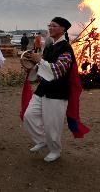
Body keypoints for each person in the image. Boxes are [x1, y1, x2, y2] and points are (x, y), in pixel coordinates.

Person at [23, 17, 78, 162]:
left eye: (54, 26)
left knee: (52, 123)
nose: (50, 28)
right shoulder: (49, 47)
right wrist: (32, 64)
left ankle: (55, 150)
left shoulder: (66, 48)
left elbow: (59, 70)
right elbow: (42, 68)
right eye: (50, 25)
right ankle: (42, 140)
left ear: (62, 29)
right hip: (43, 89)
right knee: (29, 116)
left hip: (58, 91)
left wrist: (39, 60)